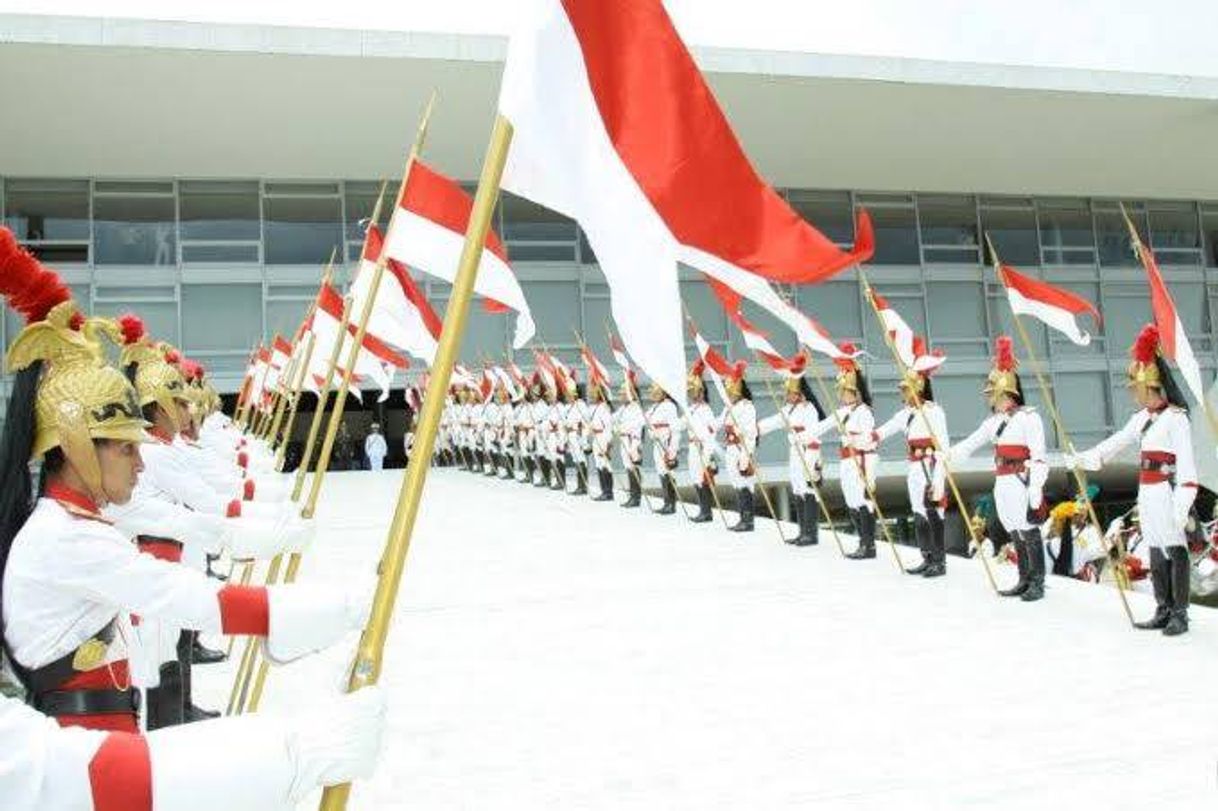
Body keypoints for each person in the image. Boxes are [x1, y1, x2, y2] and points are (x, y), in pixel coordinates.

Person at [0, 242, 369, 733]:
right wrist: (289, 608)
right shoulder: (64, 536)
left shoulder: (72, 523)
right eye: (125, 449)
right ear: (75, 447)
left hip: (106, 728)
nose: (139, 461)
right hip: (87, 754)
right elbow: (183, 558)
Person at [0, 686, 385, 811]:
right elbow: (65, 774)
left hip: (112, 731)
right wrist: (291, 753)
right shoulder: (62, 537)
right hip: (93, 741)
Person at [1071, 325, 1197, 635]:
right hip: (1148, 491)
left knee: (1174, 549)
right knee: (1155, 548)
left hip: (1168, 491)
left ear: (1152, 387)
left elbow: (1188, 470)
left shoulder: (1176, 419)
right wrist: (1084, 458)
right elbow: (1116, 442)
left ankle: (1180, 612)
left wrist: (1182, 506)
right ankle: (1163, 607)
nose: (1134, 394)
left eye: (1137, 388)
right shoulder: (1141, 419)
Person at [947, 336, 1049, 601]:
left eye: (992, 393)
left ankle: (1037, 581)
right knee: (1014, 529)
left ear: (1006, 391)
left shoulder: (1029, 417)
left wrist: (1036, 487)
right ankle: (1023, 578)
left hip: (1020, 478)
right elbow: (970, 444)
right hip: (1002, 480)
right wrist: (946, 455)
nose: (989, 398)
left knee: (1028, 529)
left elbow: (1039, 456)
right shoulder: (993, 422)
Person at [872, 338, 949, 575]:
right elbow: (885, 429)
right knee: (918, 511)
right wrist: (868, 437)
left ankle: (939, 560)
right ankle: (926, 556)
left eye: (906, 388)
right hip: (914, 466)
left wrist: (938, 479)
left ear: (919, 387)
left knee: (933, 511)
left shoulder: (933, 412)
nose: (903, 393)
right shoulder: (906, 414)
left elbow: (943, 447)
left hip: (930, 465)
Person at [809, 345, 878, 559]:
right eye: (840, 391)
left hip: (861, 459)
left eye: (845, 391)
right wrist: (802, 437)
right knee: (850, 500)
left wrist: (854, 439)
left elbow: (869, 440)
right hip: (847, 459)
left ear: (855, 393)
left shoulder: (864, 412)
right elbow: (823, 426)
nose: (841, 395)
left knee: (862, 500)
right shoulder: (843, 412)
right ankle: (862, 542)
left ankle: (869, 545)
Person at [758, 355, 826, 546]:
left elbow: (813, 435)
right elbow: (774, 421)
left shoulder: (809, 409)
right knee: (797, 488)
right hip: (795, 451)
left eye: (789, 392)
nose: (786, 395)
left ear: (798, 392)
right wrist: (756, 428)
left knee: (808, 490)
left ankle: (811, 534)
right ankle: (802, 531)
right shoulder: (789, 409)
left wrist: (812, 461)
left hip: (807, 451)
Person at [717, 361, 758, 533]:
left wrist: (746, 456)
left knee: (744, 483)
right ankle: (742, 516)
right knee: (736, 482)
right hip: (731, 448)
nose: (729, 395)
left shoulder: (747, 406)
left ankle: (748, 520)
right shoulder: (728, 408)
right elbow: (717, 423)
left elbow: (751, 433)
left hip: (742, 448)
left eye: (731, 392)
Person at [682, 360, 720, 523]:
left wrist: (707, 454)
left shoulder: (706, 409)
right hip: (692, 446)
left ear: (700, 392)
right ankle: (702, 509)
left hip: (702, 447)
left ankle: (707, 511)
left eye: (693, 392)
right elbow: (680, 423)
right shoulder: (690, 409)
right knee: (695, 477)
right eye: (689, 392)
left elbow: (712, 432)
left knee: (702, 478)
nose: (691, 395)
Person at [646, 382, 681, 515]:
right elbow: (646, 419)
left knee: (668, 472)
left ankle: (671, 504)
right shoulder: (656, 406)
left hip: (666, 442)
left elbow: (674, 429)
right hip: (657, 441)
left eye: (656, 390)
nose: (652, 393)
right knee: (661, 471)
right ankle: (666, 502)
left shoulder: (669, 406)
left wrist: (672, 450)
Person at [614, 372, 645, 509]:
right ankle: (632, 495)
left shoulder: (636, 408)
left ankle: (636, 496)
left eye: (623, 392)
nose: (621, 395)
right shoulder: (623, 408)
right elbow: (613, 419)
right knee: (628, 467)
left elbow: (638, 426)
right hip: (624, 440)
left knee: (633, 468)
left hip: (633, 441)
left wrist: (635, 446)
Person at [587, 378, 616, 502]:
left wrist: (607, 444)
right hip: (596, 437)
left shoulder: (604, 408)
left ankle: (608, 492)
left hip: (603, 437)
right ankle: (603, 490)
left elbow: (608, 428)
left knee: (605, 465)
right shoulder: (594, 407)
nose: (591, 394)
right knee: (599, 464)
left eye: (594, 392)